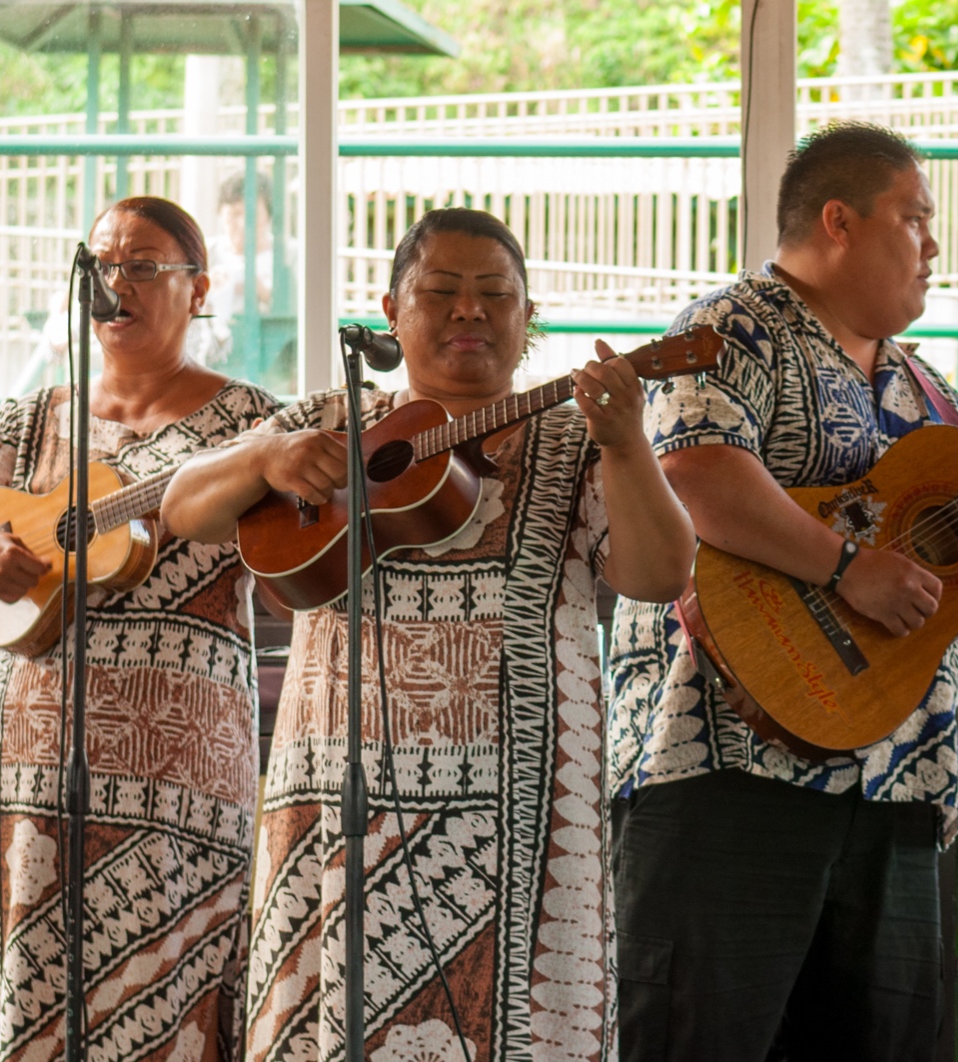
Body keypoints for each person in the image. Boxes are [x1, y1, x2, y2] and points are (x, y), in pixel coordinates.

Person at [161, 207, 695, 1062]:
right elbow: (184, 507)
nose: (469, 312)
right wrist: (264, 460)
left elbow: (661, 573)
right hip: (335, 807)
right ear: (391, 308)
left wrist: (628, 443)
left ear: (529, 319)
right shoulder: (335, 422)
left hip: (524, 820)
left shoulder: (574, 438)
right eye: (440, 291)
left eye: (496, 295)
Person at [608, 121, 958, 1061]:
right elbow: (696, 474)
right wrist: (846, 566)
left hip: (899, 772)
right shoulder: (730, 327)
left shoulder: (931, 390)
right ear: (840, 220)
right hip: (729, 762)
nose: (934, 246)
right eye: (916, 219)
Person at [0, 197, 280, 1058]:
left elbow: (293, 570)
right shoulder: (34, 418)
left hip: (184, 772)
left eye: (143, 266)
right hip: (32, 767)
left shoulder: (252, 425)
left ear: (199, 290)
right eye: (103, 266)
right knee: (30, 992)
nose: (118, 285)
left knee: (173, 995)